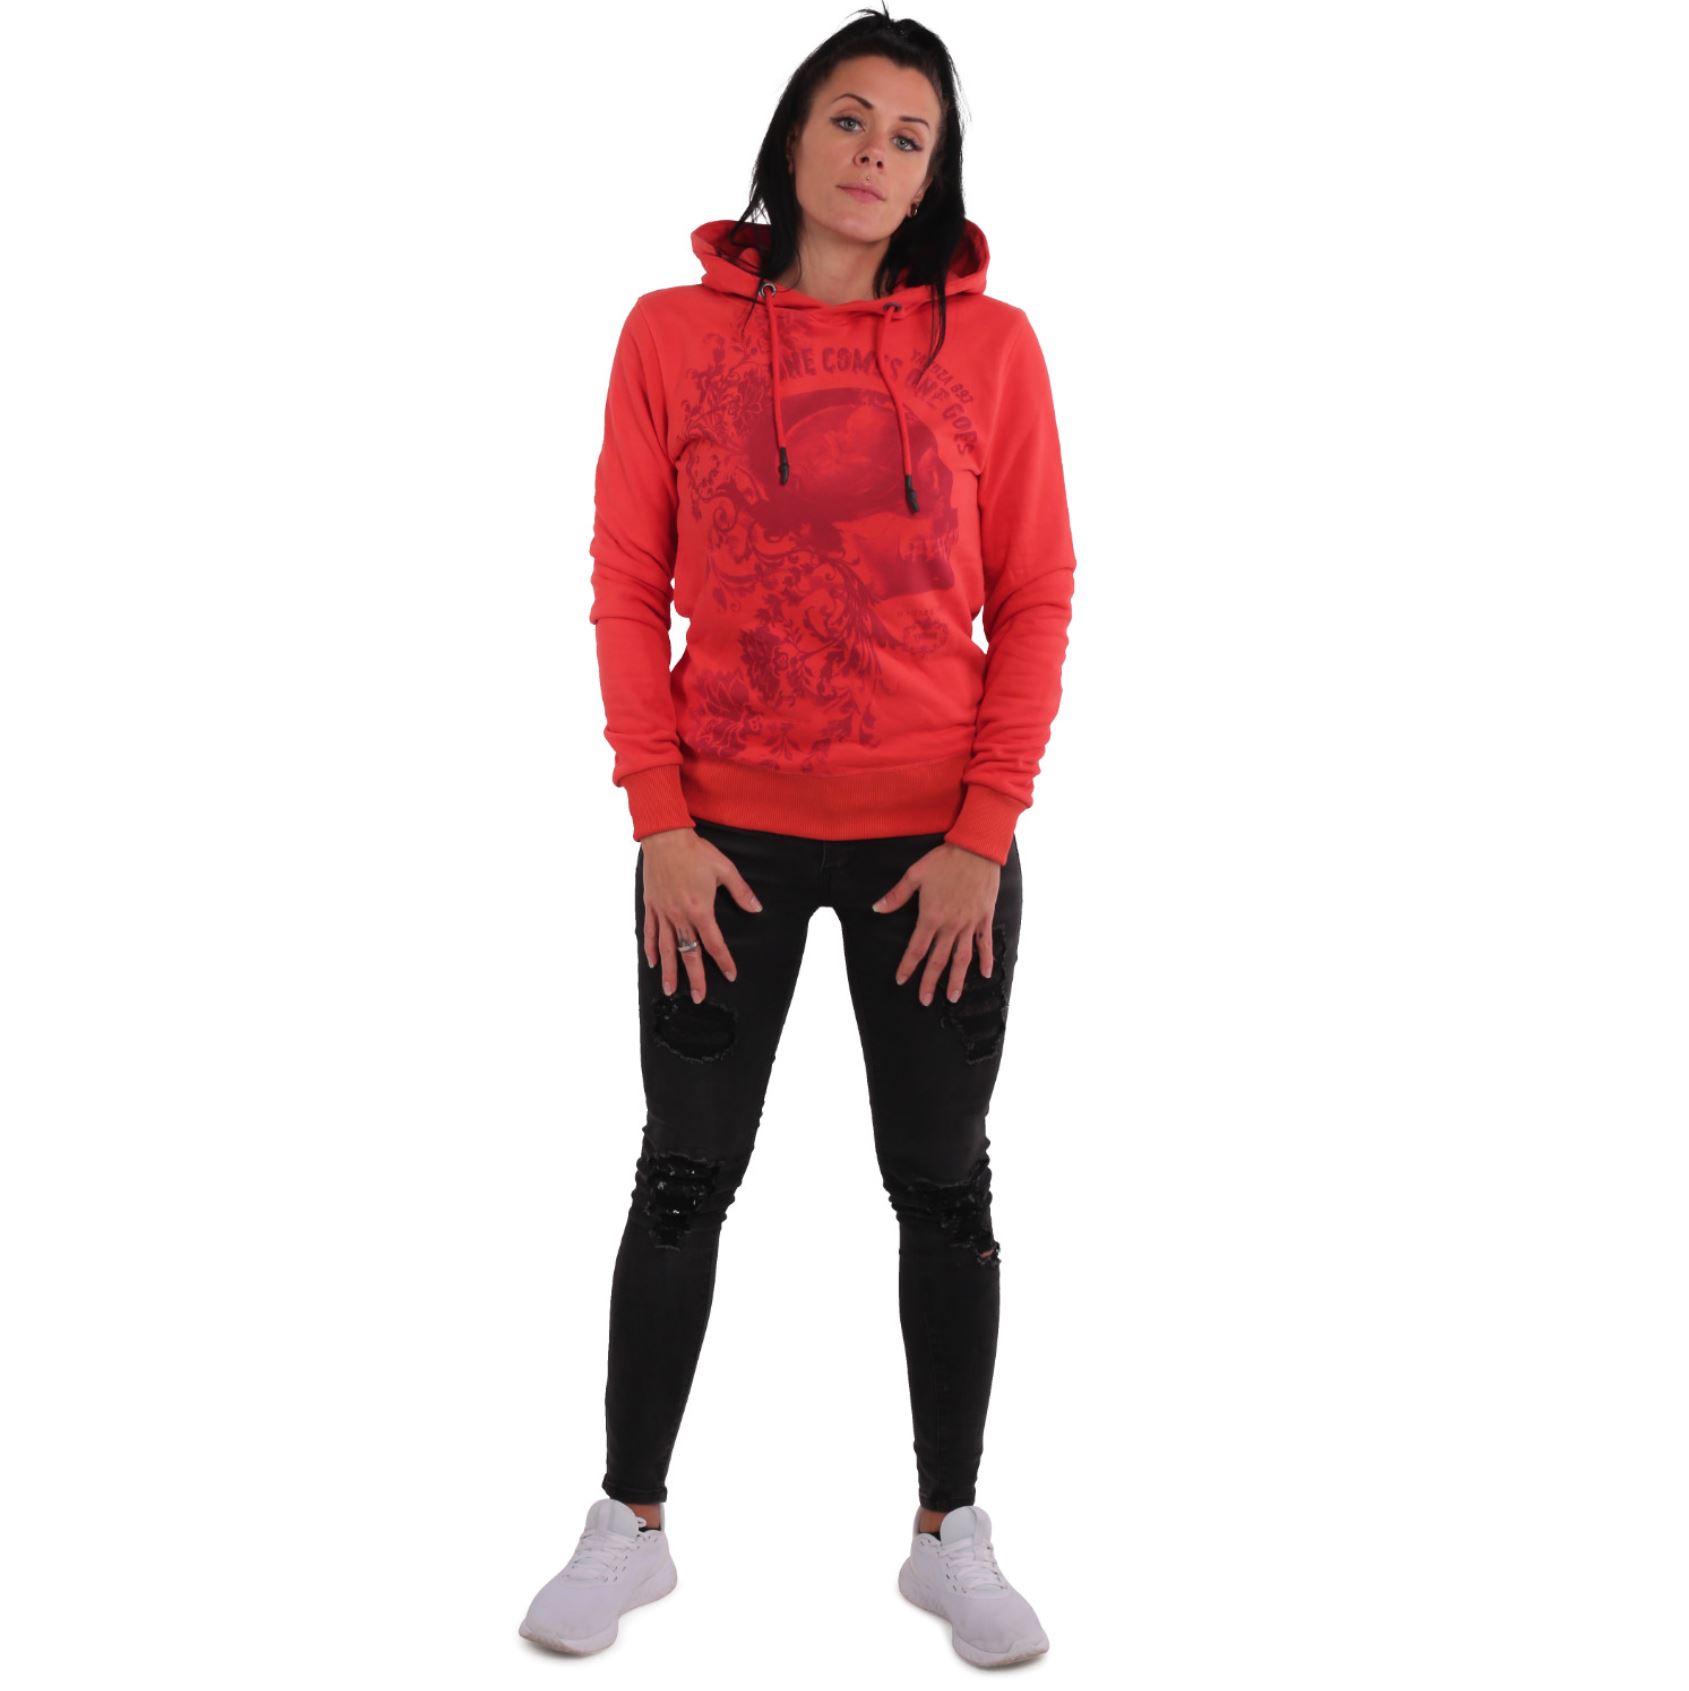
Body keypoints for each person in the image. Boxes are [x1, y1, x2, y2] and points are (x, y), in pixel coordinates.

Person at [519, 7, 1076, 1668]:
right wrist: (659, 820)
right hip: (721, 847)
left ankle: (948, 1531)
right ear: (789, 133)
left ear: (933, 174)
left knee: (943, 1187)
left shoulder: (995, 350)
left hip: (935, 854)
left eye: (908, 137)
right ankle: (627, 1524)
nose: (871, 155)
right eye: (847, 117)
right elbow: (626, 584)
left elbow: (1036, 595)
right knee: (681, 1176)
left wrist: (983, 830)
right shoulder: (667, 334)